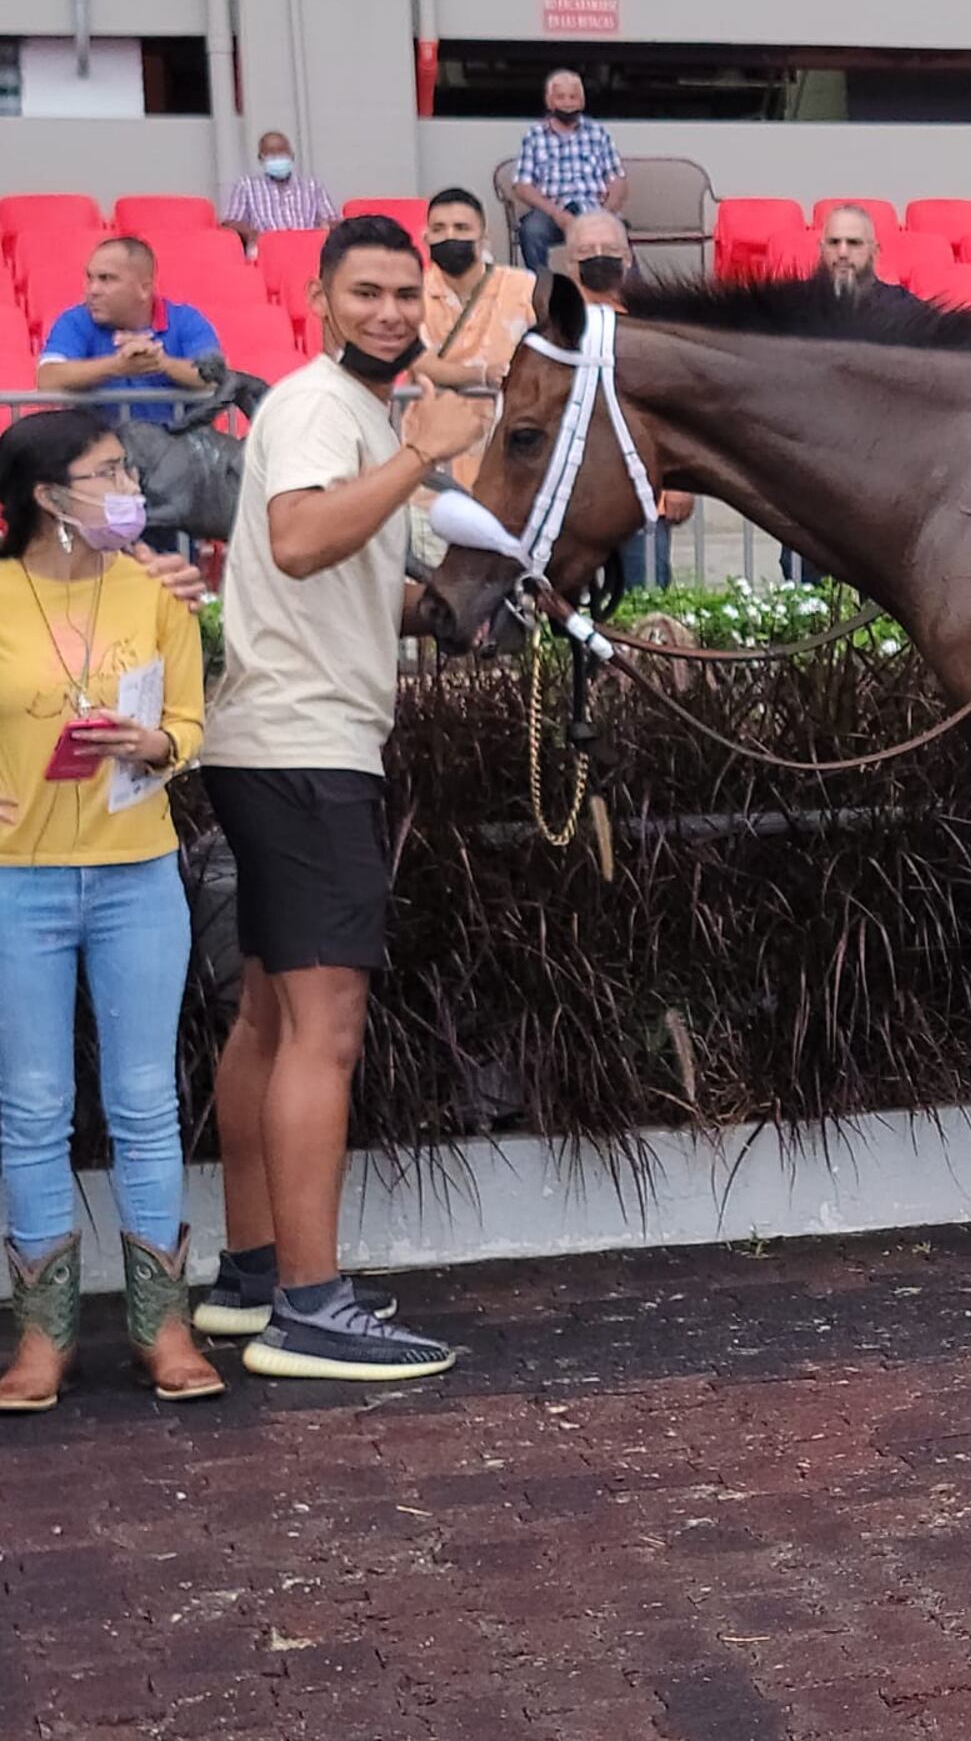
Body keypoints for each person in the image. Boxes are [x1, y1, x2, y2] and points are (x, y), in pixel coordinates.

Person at [191, 214, 488, 1382]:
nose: (390, 313)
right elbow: (304, 538)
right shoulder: (325, 406)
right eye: (366, 293)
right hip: (306, 750)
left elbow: (341, 568)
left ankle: (253, 1277)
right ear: (319, 301)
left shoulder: (353, 414)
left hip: (279, 743)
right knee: (327, 1030)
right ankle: (311, 1312)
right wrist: (422, 454)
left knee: (267, 1021)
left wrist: (433, 608)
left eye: (405, 296)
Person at [0, 408, 225, 1412]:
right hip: (16, 882)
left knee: (145, 1101)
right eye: (105, 474)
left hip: (139, 873)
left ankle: (160, 1326)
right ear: (49, 499)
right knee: (32, 1106)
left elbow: (188, 715)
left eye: (127, 469)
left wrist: (158, 746)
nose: (128, 487)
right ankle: (42, 1338)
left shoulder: (156, 593)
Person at [566, 213, 694, 588]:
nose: (599, 257)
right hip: (572, 502)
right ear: (569, 263)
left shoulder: (655, 322)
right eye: (587, 250)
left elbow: (677, 408)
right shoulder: (553, 322)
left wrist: (680, 483)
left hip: (643, 500)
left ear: (628, 258)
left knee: (646, 605)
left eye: (610, 249)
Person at [415, 188, 540, 486]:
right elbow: (419, 362)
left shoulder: (524, 288)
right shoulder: (408, 295)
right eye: (439, 229)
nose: (450, 237)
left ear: (484, 237)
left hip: (512, 459)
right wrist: (482, 374)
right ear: (425, 238)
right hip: (433, 458)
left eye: (462, 228)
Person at [36, 239, 223, 429]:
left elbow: (216, 376)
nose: (92, 290)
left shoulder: (186, 319)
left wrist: (161, 363)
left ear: (144, 288)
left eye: (106, 279)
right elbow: (48, 379)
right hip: (101, 452)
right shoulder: (74, 320)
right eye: (89, 278)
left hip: (180, 450)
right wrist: (117, 366)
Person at [510, 69, 627, 275]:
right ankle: (542, 291)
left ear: (582, 101)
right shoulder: (535, 136)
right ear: (549, 101)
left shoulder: (598, 133)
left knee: (613, 231)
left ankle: (625, 296)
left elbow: (617, 180)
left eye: (573, 97)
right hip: (551, 209)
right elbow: (522, 185)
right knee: (532, 231)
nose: (567, 102)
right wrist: (555, 213)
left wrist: (604, 213)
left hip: (593, 207)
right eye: (561, 97)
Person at [218, 130, 338, 251]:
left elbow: (332, 220)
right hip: (266, 248)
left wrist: (327, 226)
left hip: (309, 247)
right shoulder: (246, 186)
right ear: (261, 158)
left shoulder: (312, 186)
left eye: (281, 152)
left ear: (291, 155)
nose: (277, 157)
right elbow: (230, 222)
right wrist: (250, 233)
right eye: (271, 154)